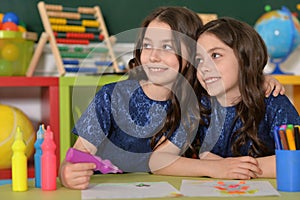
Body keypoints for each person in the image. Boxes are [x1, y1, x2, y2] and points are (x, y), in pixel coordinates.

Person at [59, 7, 285, 190]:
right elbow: (75, 158)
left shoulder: (198, 100)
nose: (154, 55)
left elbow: (231, 77)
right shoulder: (111, 97)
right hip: (101, 189)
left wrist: (258, 77)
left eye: (166, 46)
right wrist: (66, 173)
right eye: (147, 45)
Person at [194, 17, 300, 178]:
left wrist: (231, 166)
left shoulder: (273, 101)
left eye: (215, 55)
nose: (204, 67)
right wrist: (212, 166)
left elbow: (295, 159)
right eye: (199, 60)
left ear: (245, 58)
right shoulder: (199, 105)